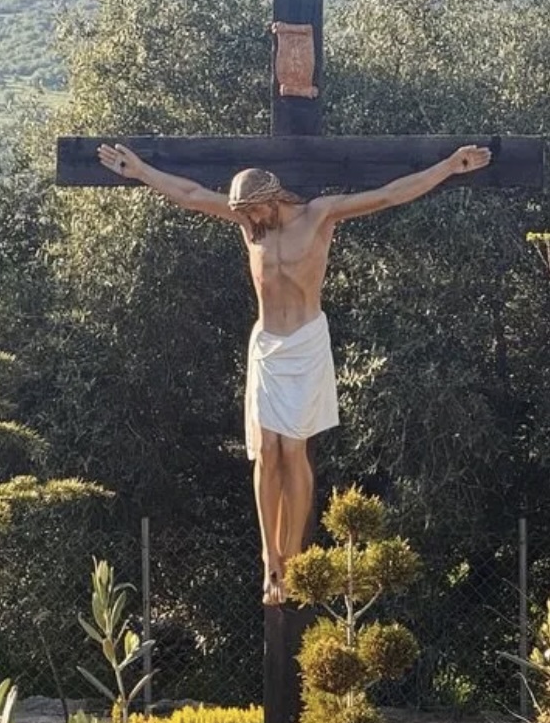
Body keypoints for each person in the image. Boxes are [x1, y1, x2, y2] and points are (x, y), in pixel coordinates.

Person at [100, 142, 491, 604]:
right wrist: (141, 170)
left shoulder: (319, 215)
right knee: (267, 450)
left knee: (293, 448)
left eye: (254, 210)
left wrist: (448, 167)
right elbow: (189, 193)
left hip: (306, 344)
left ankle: (295, 557)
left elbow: (389, 194)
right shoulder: (250, 227)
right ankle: (271, 559)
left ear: (273, 197)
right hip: (268, 346)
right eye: (244, 213)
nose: (250, 219)